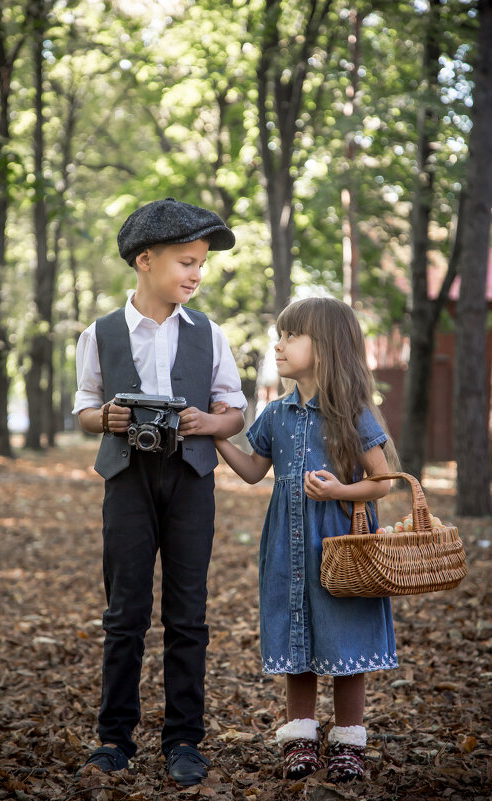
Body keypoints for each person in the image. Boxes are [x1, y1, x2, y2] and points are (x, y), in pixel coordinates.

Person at [72, 197, 246, 787]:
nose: (196, 274)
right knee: (124, 614)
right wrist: (108, 419)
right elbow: (84, 410)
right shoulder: (98, 334)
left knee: (187, 614)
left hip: (192, 478)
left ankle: (183, 741)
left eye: (201, 264)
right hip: (126, 480)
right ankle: (113, 739)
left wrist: (208, 423)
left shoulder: (209, 333)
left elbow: (235, 412)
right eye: (186, 262)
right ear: (145, 260)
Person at [213, 297, 398, 784]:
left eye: (292, 335)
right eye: (280, 334)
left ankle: (349, 742)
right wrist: (216, 436)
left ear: (327, 347)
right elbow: (254, 470)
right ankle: (299, 739)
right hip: (287, 546)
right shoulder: (276, 414)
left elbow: (384, 480)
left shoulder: (351, 412)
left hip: (339, 546)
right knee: (297, 636)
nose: (279, 343)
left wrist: (340, 489)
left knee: (342, 637)